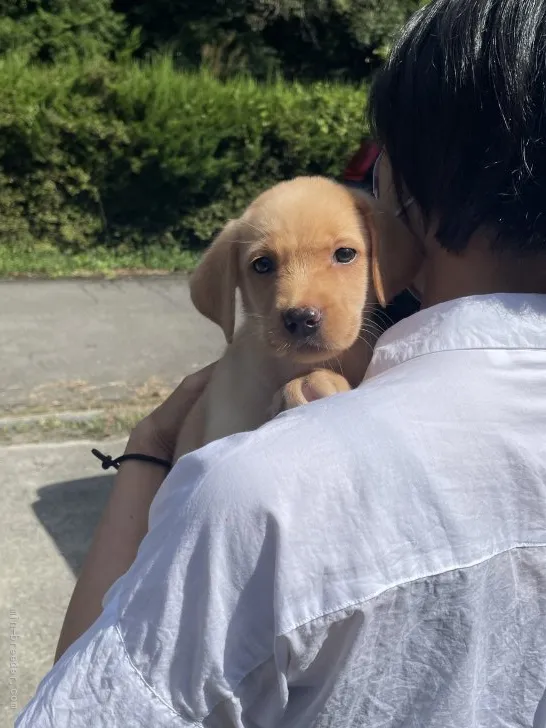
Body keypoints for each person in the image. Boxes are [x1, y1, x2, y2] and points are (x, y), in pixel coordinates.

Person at [17, 0, 546, 725]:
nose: (301, 299)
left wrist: (146, 451)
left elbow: (90, 697)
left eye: (343, 254)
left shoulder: (260, 495)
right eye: (266, 267)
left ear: (401, 189)